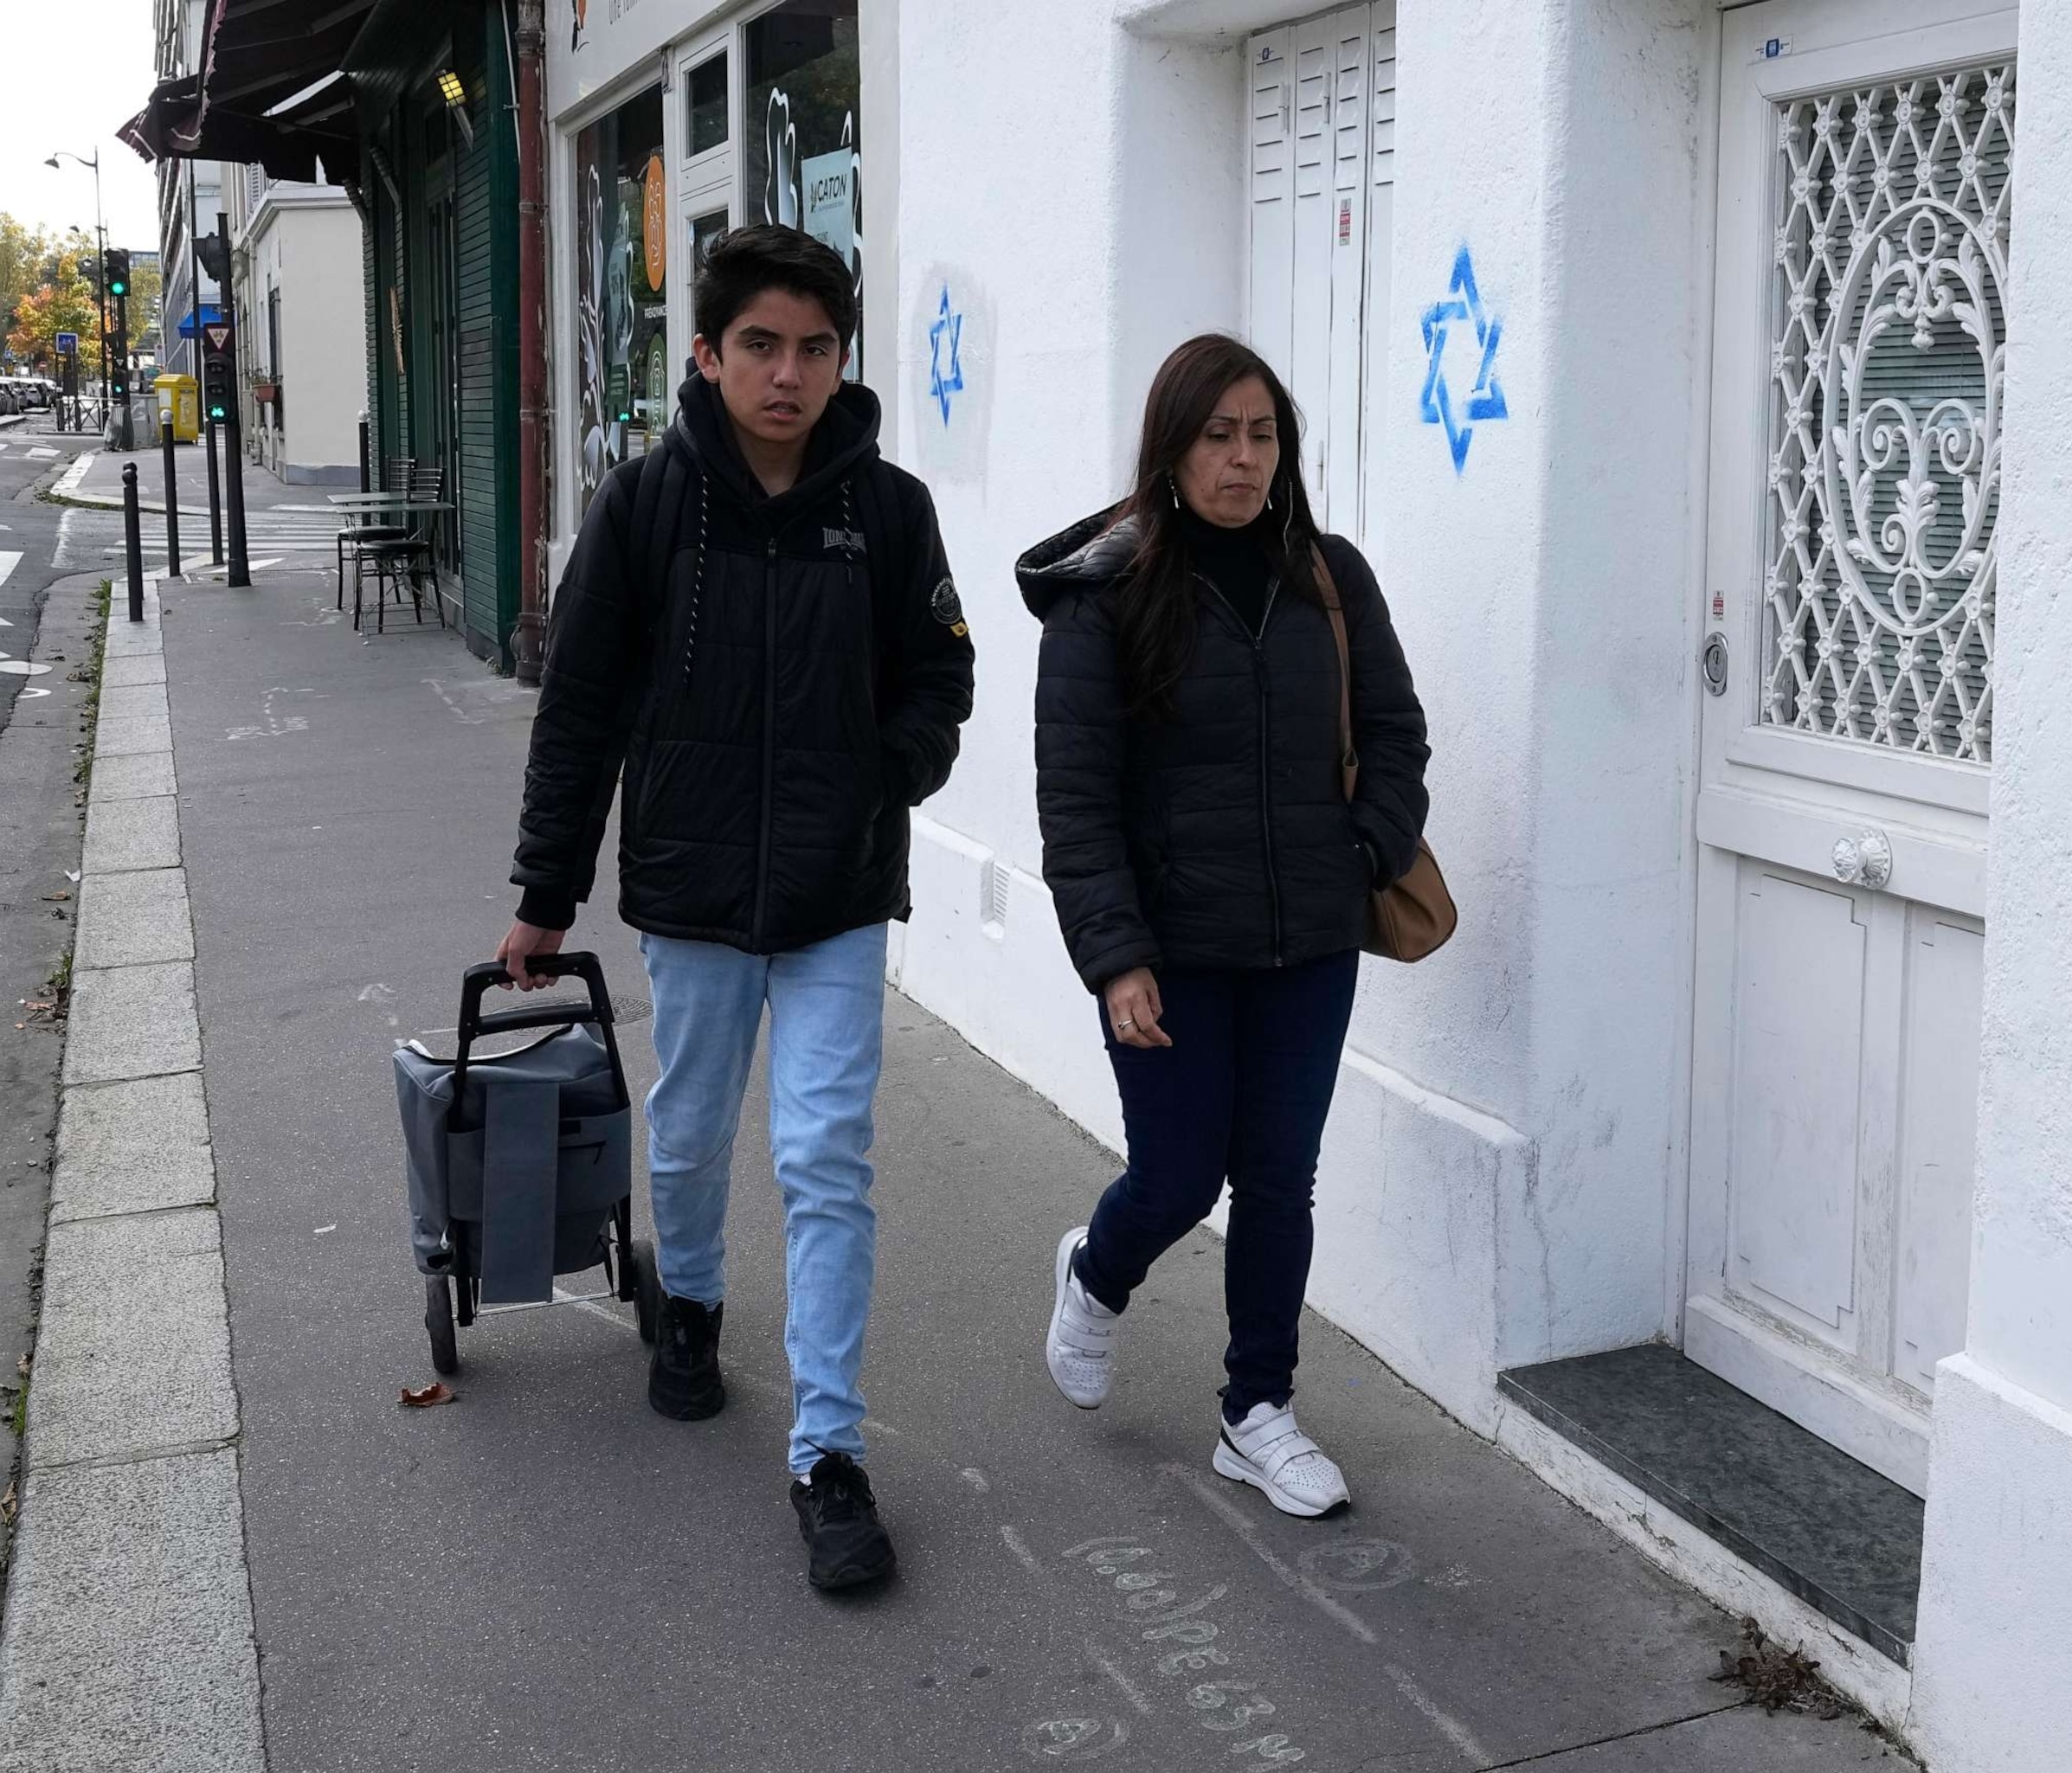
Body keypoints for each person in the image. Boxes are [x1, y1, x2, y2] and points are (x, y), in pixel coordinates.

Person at [494, 225, 974, 1590]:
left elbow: (943, 677)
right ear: (705, 354)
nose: (787, 372)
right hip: (695, 890)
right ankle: (690, 1300)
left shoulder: (885, 511)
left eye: (814, 347)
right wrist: (544, 892)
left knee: (826, 1155)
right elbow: (579, 711)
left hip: (836, 893)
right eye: (759, 344)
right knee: (695, 1131)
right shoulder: (647, 506)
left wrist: (886, 772)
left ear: (839, 361)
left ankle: (828, 1450)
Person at [1018, 333, 1431, 1518]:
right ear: (1173, 445)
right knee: (1179, 1174)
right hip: (1172, 950)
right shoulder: (1110, 594)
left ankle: (1258, 1411)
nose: (1243, 459)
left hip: (1310, 939)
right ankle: (1096, 1270)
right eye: (1219, 434)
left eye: (1262, 435)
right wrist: (1116, 957)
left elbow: (1396, 732)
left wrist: (1365, 848)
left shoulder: (1330, 579)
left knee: (1280, 1179)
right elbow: (1077, 797)